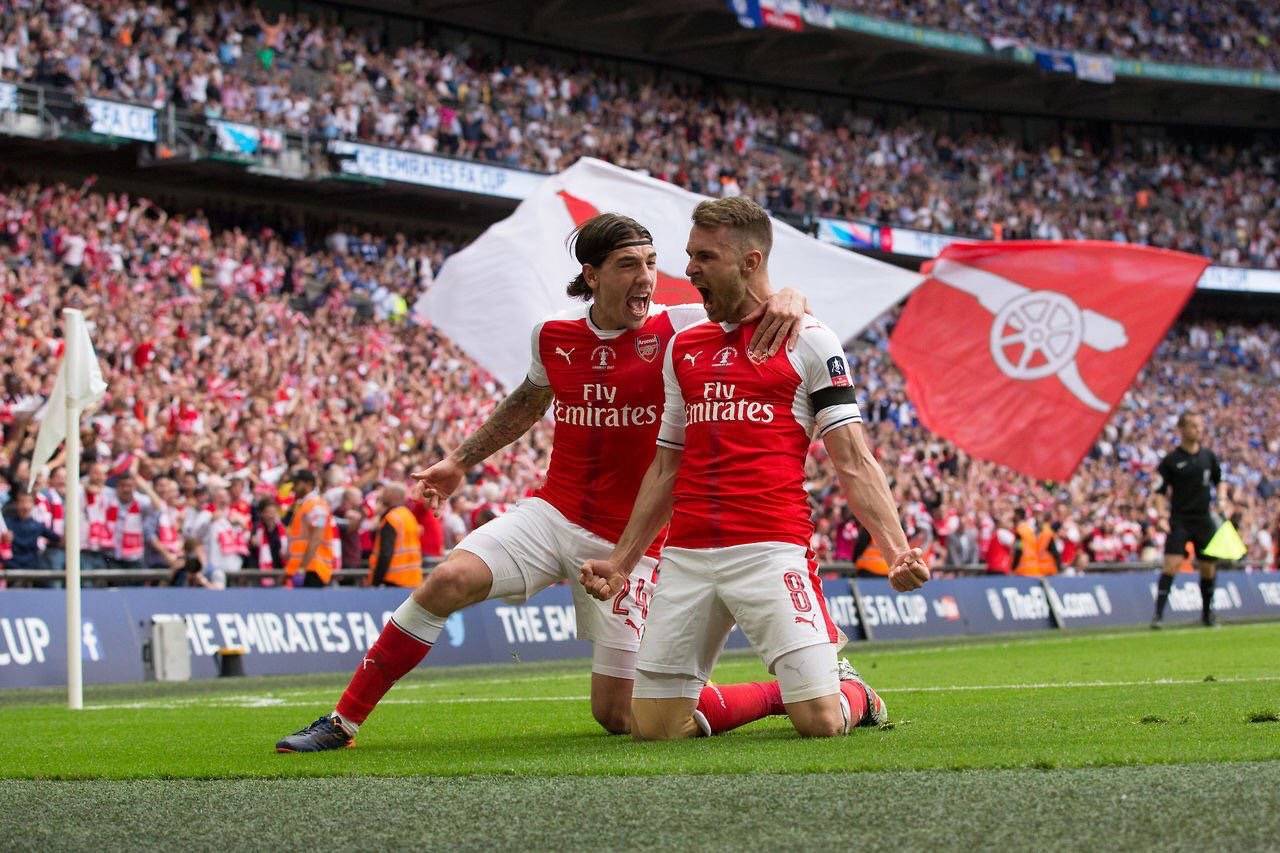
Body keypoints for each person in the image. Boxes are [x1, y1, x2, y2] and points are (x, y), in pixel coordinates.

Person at [275, 211, 808, 751]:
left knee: (619, 715)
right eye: (629, 265)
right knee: (447, 580)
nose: (646, 277)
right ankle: (342, 722)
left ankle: (782, 695)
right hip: (552, 515)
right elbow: (529, 402)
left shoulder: (682, 327)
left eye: (651, 263)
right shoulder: (553, 334)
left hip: (630, 544)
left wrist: (790, 295)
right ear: (593, 275)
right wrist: (459, 461)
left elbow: (765, 307)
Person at [580, 197, 929, 741]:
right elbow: (666, 467)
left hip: (770, 549)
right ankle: (781, 694)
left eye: (705, 257)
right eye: (690, 255)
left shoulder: (810, 339)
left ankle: (851, 691)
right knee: (654, 728)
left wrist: (896, 548)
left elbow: (854, 460)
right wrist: (623, 561)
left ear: (750, 262)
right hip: (688, 556)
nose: (689, 269)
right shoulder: (683, 347)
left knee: (821, 722)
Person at [1151, 411, 1225, 628]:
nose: (1198, 430)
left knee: (1208, 567)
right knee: (1171, 564)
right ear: (1182, 429)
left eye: (1200, 426)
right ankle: (1158, 615)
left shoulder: (1208, 457)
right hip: (1180, 519)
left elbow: (1220, 480)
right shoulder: (1171, 460)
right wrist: (1162, 515)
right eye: (1193, 425)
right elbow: (1159, 492)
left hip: (1203, 519)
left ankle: (1207, 614)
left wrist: (1221, 499)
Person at [283, 469, 337, 588]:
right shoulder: (305, 505)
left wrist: (302, 568)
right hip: (305, 569)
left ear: (308, 484)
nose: (293, 488)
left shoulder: (316, 506)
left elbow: (317, 537)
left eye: (297, 483)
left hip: (312, 570)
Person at [1, 487, 61, 585]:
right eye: (22, 502)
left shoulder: (38, 526)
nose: (25, 506)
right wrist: (3, 540)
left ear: (33, 504)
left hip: (32, 568)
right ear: (16, 504)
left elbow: (58, 539)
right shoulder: (6, 524)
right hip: (11, 569)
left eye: (28, 502)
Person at [367, 483, 423, 588]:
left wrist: (375, 582)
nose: (382, 495)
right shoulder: (408, 515)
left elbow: (385, 554)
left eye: (385, 492)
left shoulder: (391, 518)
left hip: (393, 580)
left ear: (392, 496)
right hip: (412, 579)